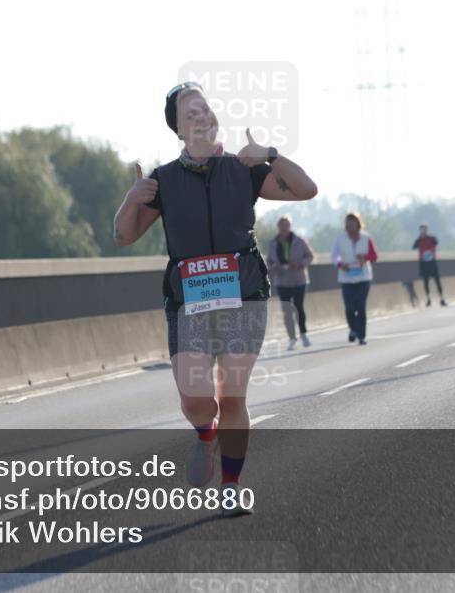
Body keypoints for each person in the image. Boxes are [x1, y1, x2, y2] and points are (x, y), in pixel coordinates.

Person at [112, 81, 317, 516]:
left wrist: (271, 155)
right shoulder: (163, 181)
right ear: (179, 131)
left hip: (244, 295)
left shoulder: (243, 167)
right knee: (194, 397)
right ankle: (205, 433)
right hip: (189, 302)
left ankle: (231, 483)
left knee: (234, 398)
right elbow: (123, 235)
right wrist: (132, 199)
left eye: (205, 108)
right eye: (191, 113)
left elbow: (306, 190)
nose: (202, 116)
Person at [266, 215, 314, 350]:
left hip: (299, 279)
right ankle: (292, 338)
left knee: (299, 307)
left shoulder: (299, 241)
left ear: (290, 226)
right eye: (281, 225)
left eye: (286, 225)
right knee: (287, 310)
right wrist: (273, 268)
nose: (284, 228)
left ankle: (304, 334)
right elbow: (269, 260)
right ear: (278, 227)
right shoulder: (273, 243)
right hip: (282, 280)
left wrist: (301, 264)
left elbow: (310, 256)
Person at [331, 212, 378, 345]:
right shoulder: (340, 239)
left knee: (361, 306)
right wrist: (340, 264)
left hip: (363, 277)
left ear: (358, 223)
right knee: (350, 307)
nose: (351, 224)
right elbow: (334, 256)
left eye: (353, 221)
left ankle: (362, 335)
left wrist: (365, 258)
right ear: (346, 224)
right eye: (348, 222)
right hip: (346, 277)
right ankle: (353, 329)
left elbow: (374, 256)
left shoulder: (366, 237)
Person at [412, 224, 447, 307]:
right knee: (426, 282)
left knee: (437, 281)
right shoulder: (419, 240)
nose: (422, 231)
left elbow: (436, 242)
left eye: (424, 229)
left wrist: (427, 238)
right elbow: (414, 247)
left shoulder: (432, 238)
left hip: (432, 262)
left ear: (427, 230)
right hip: (423, 263)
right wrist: (420, 238)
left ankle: (442, 298)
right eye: (421, 230)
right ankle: (428, 299)